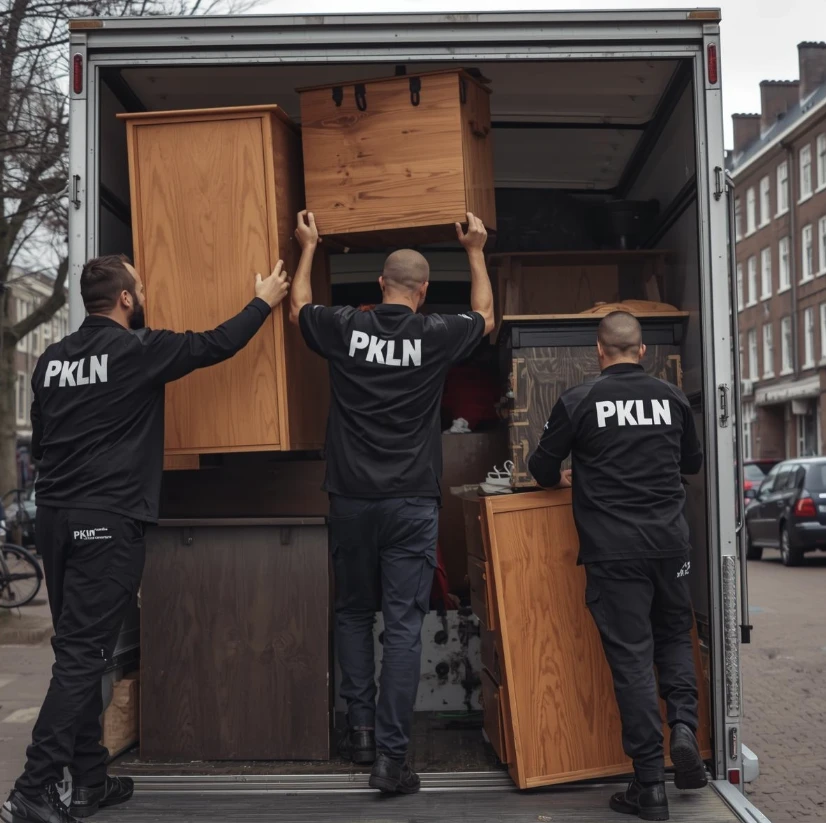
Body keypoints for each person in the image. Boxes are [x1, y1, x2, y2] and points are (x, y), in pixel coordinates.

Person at [2, 254, 290, 823]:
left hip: (56, 519)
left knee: (77, 650)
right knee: (82, 656)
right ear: (127, 298)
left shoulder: (51, 361)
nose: (145, 291)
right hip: (107, 519)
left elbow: (42, 441)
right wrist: (264, 301)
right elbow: (215, 344)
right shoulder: (136, 350)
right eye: (141, 284)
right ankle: (34, 788)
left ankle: (88, 782)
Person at [290, 210, 494, 795]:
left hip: (351, 500)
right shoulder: (435, 334)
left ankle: (359, 732)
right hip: (410, 503)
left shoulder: (345, 326)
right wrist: (475, 251)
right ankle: (391, 759)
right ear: (422, 292)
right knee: (403, 627)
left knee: (354, 612)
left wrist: (309, 246)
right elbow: (486, 317)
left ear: (381, 284)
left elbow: (298, 308)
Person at [528, 311, 706, 823]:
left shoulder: (579, 400)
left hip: (615, 550)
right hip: (670, 545)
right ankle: (685, 728)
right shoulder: (672, 398)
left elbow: (541, 468)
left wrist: (565, 475)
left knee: (632, 659)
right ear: (642, 350)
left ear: (599, 350)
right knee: (674, 636)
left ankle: (649, 785)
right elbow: (691, 464)